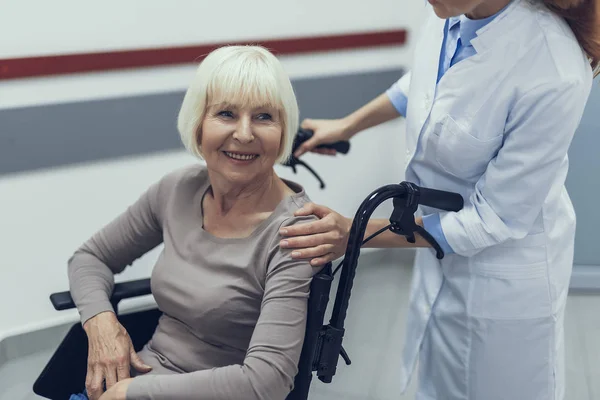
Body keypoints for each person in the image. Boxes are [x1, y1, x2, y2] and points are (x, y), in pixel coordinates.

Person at [279, 0, 599, 398]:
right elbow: (424, 81)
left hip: (503, 281)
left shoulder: (554, 69)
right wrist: (347, 125)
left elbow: (491, 219)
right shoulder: (450, 13)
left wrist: (355, 233)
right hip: (438, 252)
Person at [67, 45, 320, 400]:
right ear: (198, 123)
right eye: (227, 114)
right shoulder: (179, 189)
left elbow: (266, 383)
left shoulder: (298, 233)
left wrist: (133, 394)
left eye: (264, 117)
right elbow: (90, 257)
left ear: (284, 130)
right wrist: (101, 323)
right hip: (139, 376)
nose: (245, 134)